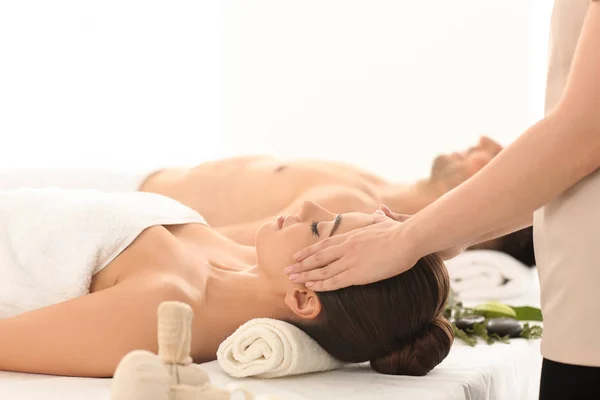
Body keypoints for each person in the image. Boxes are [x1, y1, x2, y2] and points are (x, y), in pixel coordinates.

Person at [288, 1, 600, 398]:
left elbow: (583, 135)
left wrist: (409, 239)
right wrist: (449, 234)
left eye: (321, 229)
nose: (305, 208)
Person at [0, 190, 453, 378]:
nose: (310, 205)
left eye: (319, 229)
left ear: (302, 297)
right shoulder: (240, 258)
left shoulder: (164, 312)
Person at [0, 136, 536, 265]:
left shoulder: (343, 206)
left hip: (103, 206)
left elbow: (205, 245)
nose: (487, 142)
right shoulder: (368, 186)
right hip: (122, 182)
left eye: (499, 157)